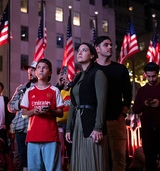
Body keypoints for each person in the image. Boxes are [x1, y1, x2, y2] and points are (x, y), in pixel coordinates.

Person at [65, 42, 108, 171]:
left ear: (92, 55)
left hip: (92, 122)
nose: (79, 52)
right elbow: (73, 103)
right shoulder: (78, 77)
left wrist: (98, 127)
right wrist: (68, 128)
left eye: (84, 50)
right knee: (79, 158)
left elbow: (102, 102)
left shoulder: (98, 73)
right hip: (78, 122)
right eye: (78, 50)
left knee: (92, 158)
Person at [94, 36, 132, 170]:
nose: (110, 47)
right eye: (106, 45)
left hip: (116, 120)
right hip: (96, 122)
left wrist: (122, 114)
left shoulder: (120, 69)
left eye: (111, 45)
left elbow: (128, 95)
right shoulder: (91, 69)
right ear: (97, 48)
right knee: (99, 159)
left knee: (119, 158)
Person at [20, 58, 64, 171]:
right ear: (35, 72)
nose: (41, 70)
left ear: (50, 72)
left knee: (52, 168)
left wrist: (50, 111)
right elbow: (24, 114)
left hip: (51, 137)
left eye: (44, 68)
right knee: (34, 169)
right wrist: (33, 111)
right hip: (32, 137)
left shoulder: (55, 90)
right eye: (38, 67)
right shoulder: (29, 91)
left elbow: (60, 113)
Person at [133, 62, 160, 171]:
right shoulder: (142, 90)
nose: (151, 79)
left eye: (154, 76)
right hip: (148, 130)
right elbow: (135, 109)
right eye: (149, 76)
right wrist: (144, 104)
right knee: (149, 159)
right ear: (145, 75)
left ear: (157, 74)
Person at [7, 61, 37, 171]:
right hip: (21, 127)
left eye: (33, 70)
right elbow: (10, 106)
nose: (30, 73)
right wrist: (20, 103)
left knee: (35, 157)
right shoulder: (21, 88)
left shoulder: (43, 88)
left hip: (36, 128)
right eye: (29, 71)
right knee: (22, 156)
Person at [56, 71, 72, 171]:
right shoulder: (59, 91)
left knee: (71, 149)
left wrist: (69, 82)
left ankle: (71, 166)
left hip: (71, 125)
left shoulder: (72, 90)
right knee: (59, 150)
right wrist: (59, 83)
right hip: (59, 125)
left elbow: (75, 90)